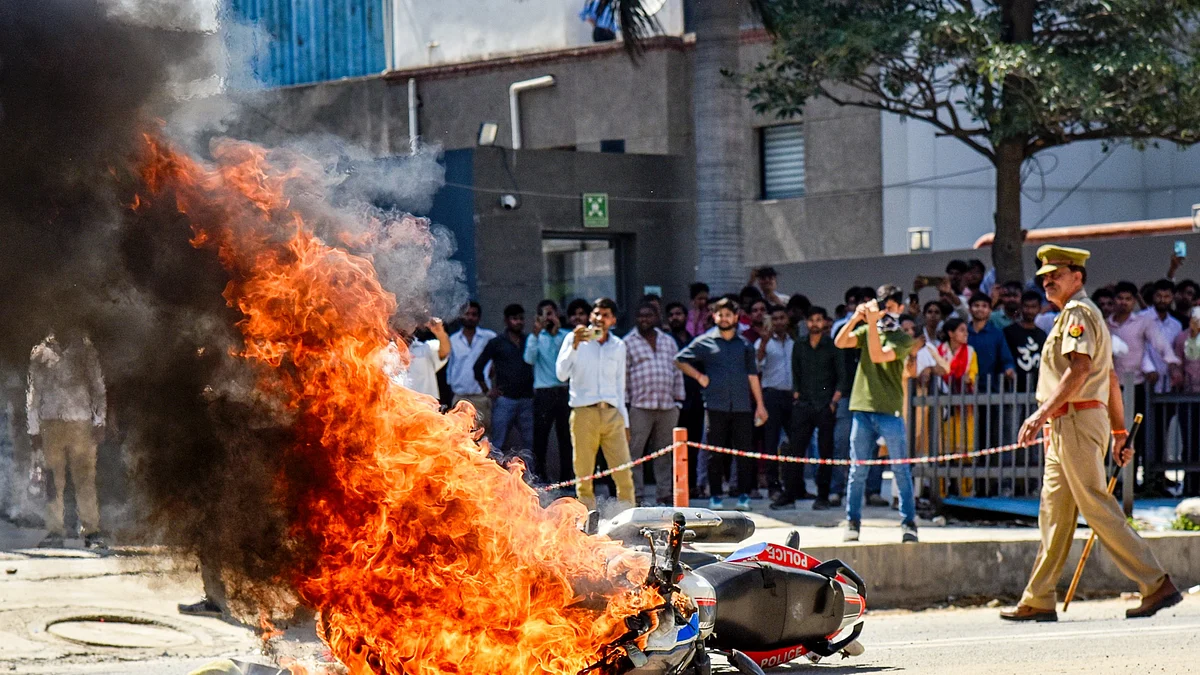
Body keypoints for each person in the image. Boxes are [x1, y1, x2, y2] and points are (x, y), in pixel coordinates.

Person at [1002, 245, 1181, 622]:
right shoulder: (1074, 314)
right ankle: (1039, 597)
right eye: (1044, 276)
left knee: (1096, 506)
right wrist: (1118, 432)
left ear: (1078, 276)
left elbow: (1080, 370)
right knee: (1054, 512)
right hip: (1071, 422)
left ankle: (1155, 583)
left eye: (1056, 274)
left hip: (1075, 420)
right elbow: (1111, 377)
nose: (1047, 280)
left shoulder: (1078, 313)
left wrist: (1040, 414)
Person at [834, 285, 918, 543]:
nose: (887, 312)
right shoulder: (869, 328)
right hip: (862, 409)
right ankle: (853, 522)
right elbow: (840, 342)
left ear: (901, 309)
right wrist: (856, 318)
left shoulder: (902, 339)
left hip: (890, 411)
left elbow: (877, 355)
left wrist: (870, 323)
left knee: (900, 469)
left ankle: (908, 523)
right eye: (884, 306)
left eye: (892, 307)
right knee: (857, 469)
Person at [676, 298, 769, 510]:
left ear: (736, 317)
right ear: (714, 317)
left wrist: (760, 405)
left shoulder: (744, 344)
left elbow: (752, 376)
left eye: (728, 314)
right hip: (715, 405)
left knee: (744, 452)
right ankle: (715, 496)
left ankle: (744, 495)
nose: (724, 318)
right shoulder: (705, 341)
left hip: (742, 406)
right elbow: (680, 359)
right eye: (720, 314)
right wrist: (700, 377)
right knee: (714, 453)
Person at [27, 329, 107, 549]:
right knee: (53, 482)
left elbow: (98, 387)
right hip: (50, 424)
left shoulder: (86, 351)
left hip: (81, 423)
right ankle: (55, 531)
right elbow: (34, 393)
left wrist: (99, 421)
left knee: (85, 480)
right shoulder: (41, 352)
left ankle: (91, 531)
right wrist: (33, 429)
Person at [556, 298, 634, 511]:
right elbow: (561, 374)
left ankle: (628, 520)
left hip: (612, 413)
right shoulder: (574, 338)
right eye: (597, 314)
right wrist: (574, 345)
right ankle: (586, 520)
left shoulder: (618, 345)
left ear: (613, 320)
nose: (600, 319)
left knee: (624, 472)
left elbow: (620, 386)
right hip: (584, 413)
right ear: (591, 317)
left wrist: (624, 422)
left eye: (606, 315)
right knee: (584, 474)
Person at [772, 306, 846, 510]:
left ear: (824, 323)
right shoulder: (799, 345)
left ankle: (822, 496)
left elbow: (842, 377)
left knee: (825, 453)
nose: (815, 323)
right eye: (811, 320)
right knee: (794, 451)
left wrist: (833, 402)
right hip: (803, 404)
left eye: (818, 320)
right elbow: (795, 373)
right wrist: (796, 395)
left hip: (825, 405)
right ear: (806, 322)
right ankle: (789, 494)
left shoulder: (833, 345)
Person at [625, 302, 686, 505]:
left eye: (649, 315)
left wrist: (678, 400)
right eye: (641, 316)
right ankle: (637, 495)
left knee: (665, 452)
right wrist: (626, 404)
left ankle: (664, 493)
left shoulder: (668, 341)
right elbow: (623, 375)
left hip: (668, 405)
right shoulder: (627, 342)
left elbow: (677, 370)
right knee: (635, 453)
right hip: (640, 405)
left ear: (656, 318)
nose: (644, 319)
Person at [475, 304, 535, 456]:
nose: (518, 322)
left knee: (530, 443)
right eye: (514, 319)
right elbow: (478, 368)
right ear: (506, 321)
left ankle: (531, 476)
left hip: (527, 400)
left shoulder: (529, 340)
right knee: (498, 443)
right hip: (505, 401)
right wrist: (488, 391)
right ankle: (495, 476)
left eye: (521, 318)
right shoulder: (497, 342)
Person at [524, 300, 572, 483]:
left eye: (552, 313)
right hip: (544, 392)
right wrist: (536, 334)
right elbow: (529, 359)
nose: (549, 317)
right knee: (541, 437)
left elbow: (567, 359)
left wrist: (556, 332)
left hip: (563, 391)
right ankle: (540, 477)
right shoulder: (535, 337)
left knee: (566, 437)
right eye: (545, 314)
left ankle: (567, 477)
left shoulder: (565, 336)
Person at [756, 305, 797, 501]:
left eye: (782, 318)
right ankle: (773, 486)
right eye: (775, 319)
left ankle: (794, 486)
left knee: (795, 442)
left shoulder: (793, 343)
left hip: (790, 396)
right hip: (771, 396)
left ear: (787, 320)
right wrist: (763, 343)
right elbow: (756, 364)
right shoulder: (763, 342)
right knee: (771, 442)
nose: (779, 322)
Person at [666, 301, 705, 493]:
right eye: (671, 314)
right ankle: (676, 487)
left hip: (695, 400)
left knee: (694, 445)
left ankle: (692, 484)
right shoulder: (665, 341)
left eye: (678, 314)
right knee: (672, 447)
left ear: (685, 317)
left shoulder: (695, 342)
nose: (675, 317)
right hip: (674, 400)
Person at [448, 301, 497, 434]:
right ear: (461, 316)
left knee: (482, 436)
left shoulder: (489, 337)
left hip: (480, 396)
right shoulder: (453, 340)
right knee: (458, 436)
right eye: (467, 314)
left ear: (479, 317)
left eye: (474, 314)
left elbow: (498, 359)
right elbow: (449, 366)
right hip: (459, 397)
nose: (470, 317)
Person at [385, 318, 451, 400]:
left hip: (426, 408)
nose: (404, 331)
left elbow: (445, 350)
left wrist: (440, 333)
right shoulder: (384, 353)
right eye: (400, 328)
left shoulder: (426, 348)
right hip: (396, 408)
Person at [1139, 279, 1183, 393]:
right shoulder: (1141, 318)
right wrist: (1149, 369)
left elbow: (1176, 352)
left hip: (1168, 382)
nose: (1162, 300)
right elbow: (1138, 348)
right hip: (1143, 380)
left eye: (1167, 296)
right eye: (1159, 296)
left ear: (1172, 297)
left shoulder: (1176, 325)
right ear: (1153, 296)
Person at [967, 293, 1016, 391]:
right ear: (969, 309)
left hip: (991, 388)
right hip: (965, 388)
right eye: (976, 305)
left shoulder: (997, 334)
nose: (980, 309)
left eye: (984, 306)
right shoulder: (963, 333)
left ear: (990, 311)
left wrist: (1009, 369)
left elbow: (1006, 359)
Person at [1004, 291, 1048, 393]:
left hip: (1036, 387)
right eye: (1026, 307)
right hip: (1013, 387)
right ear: (1020, 307)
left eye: (1033, 307)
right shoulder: (1009, 332)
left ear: (1039, 308)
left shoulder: (1042, 335)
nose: (1029, 311)